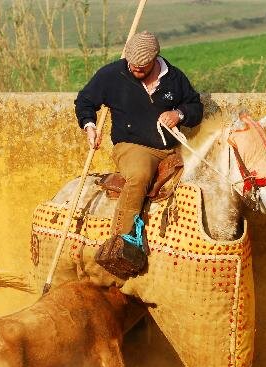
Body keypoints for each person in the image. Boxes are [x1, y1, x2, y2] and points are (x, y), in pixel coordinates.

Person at [74, 31, 203, 274]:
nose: (134, 69)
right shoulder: (111, 75)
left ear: (155, 58)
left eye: (141, 66)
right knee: (140, 176)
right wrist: (89, 126)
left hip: (170, 148)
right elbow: (84, 101)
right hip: (133, 146)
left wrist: (179, 114)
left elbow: (195, 107)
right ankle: (121, 244)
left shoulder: (174, 78)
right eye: (131, 64)